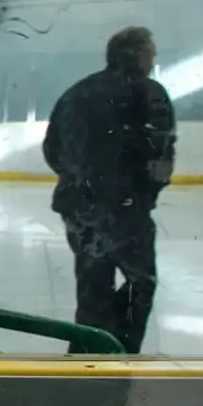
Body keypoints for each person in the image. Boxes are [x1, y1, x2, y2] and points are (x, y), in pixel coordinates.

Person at [42, 25, 176, 354]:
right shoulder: (149, 93)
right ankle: (120, 349)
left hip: (80, 208)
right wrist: (143, 196)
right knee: (140, 282)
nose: (153, 58)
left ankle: (87, 352)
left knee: (92, 287)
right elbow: (160, 154)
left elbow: (52, 148)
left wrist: (78, 183)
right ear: (137, 55)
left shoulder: (77, 92)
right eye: (150, 52)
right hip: (126, 208)